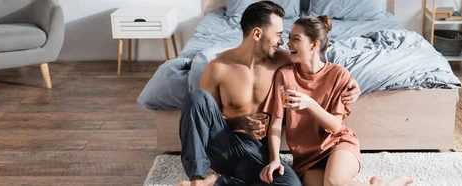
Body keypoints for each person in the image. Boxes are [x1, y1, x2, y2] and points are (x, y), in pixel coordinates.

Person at [176, 1, 362, 186]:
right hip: (223, 145)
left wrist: (353, 84)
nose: (283, 42)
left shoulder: (282, 60)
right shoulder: (218, 68)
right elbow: (205, 120)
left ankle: (219, 183)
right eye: (279, 35)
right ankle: (197, 180)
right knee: (196, 97)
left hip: (257, 151)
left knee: (292, 185)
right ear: (257, 33)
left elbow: (317, 60)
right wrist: (239, 122)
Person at [258, 15, 413, 186]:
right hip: (307, 158)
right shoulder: (284, 75)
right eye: (289, 38)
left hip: (337, 143)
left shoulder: (338, 74)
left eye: (296, 39)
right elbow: (275, 124)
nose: (288, 44)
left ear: (314, 44)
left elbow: (335, 126)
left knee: (334, 182)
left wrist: (309, 103)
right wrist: (274, 159)